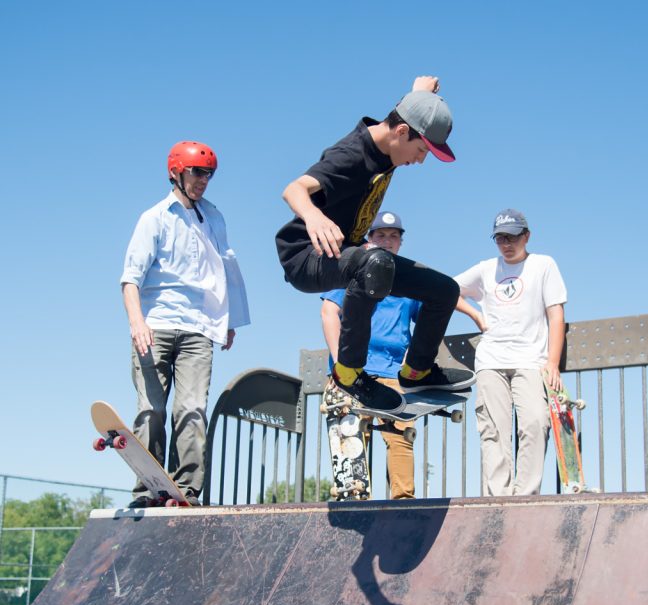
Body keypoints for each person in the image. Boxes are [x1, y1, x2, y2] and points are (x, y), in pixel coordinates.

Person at [276, 76, 474, 413]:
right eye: (421, 150)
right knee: (375, 261)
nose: (420, 160)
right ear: (401, 134)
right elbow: (293, 189)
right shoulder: (351, 155)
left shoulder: (396, 130)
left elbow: (405, 112)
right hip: (306, 257)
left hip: (351, 256)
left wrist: (419, 94)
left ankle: (417, 371)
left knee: (444, 290)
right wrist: (313, 216)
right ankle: (349, 374)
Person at [120, 141, 250, 507]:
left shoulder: (214, 218)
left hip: (198, 328)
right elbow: (130, 278)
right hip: (156, 325)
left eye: (208, 174)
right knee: (152, 411)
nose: (203, 180)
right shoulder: (155, 218)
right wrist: (137, 322)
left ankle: (186, 490)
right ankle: (147, 489)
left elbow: (225, 268)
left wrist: (229, 318)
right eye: (197, 172)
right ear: (176, 172)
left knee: (192, 409)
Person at [454, 210, 567, 496]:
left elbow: (556, 316)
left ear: (526, 236)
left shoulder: (543, 265)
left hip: (530, 360)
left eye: (513, 236)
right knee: (493, 430)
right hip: (491, 360)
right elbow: (447, 290)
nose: (507, 243)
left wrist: (553, 363)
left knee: (535, 422)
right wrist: (475, 315)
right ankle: (498, 498)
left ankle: (525, 497)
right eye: (500, 238)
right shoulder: (485, 269)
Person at [321, 211, 418, 499]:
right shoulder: (353, 272)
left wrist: (411, 359)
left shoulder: (409, 282)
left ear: (400, 242)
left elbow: (427, 322)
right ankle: (353, 499)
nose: (387, 242)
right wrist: (342, 363)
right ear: (370, 240)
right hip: (354, 373)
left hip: (392, 374)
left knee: (400, 435)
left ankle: (404, 503)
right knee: (350, 433)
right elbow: (329, 312)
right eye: (380, 236)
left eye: (393, 236)